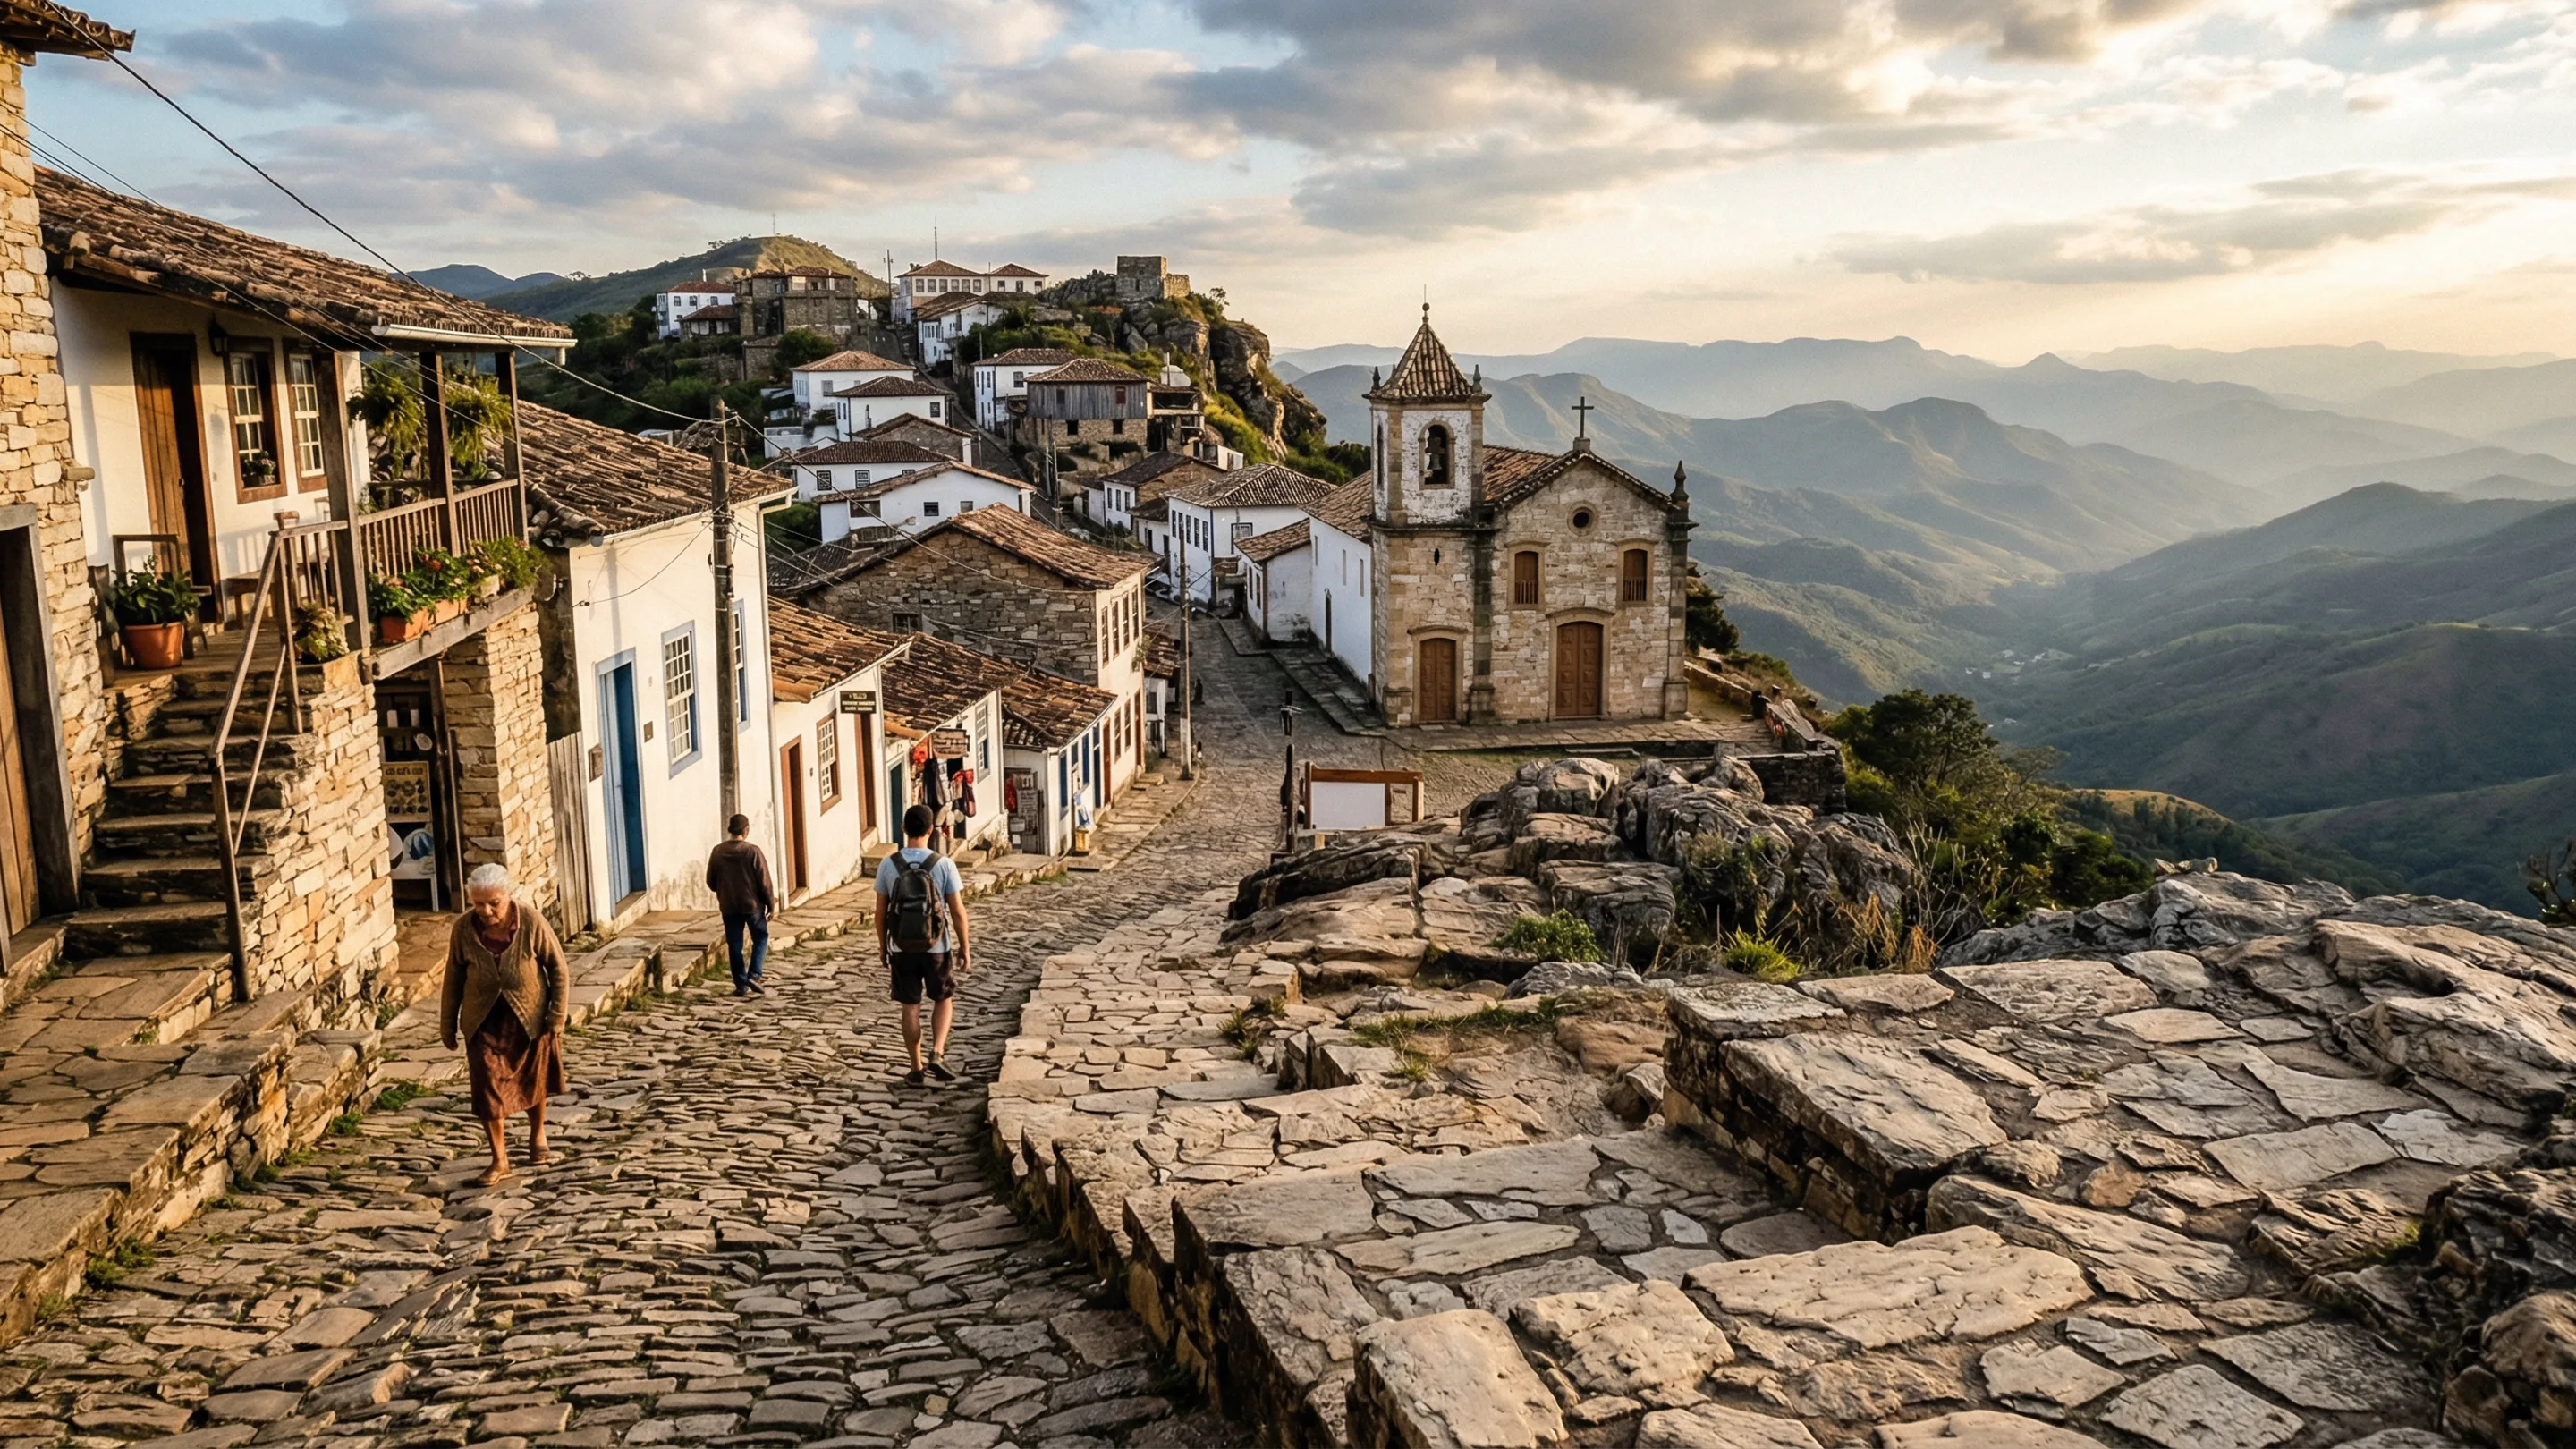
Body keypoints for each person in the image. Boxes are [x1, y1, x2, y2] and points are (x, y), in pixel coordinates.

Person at [440, 864, 571, 1186]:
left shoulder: (530, 921)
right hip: (482, 1020)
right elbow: (453, 977)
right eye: (478, 904)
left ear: (508, 896)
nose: (485, 911)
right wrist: (447, 1023)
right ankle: (499, 1159)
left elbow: (558, 968)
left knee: (534, 1079)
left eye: (493, 903)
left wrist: (557, 1015)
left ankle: (537, 1136)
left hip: (529, 1016)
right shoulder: (463, 930)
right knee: (486, 1086)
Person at [875, 802, 971, 1086]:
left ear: (904, 829)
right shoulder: (943, 865)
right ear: (932, 830)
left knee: (910, 1005)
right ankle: (938, 1052)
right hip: (937, 948)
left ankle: (915, 1068)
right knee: (943, 998)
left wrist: (884, 947)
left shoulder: (888, 864)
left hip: (901, 948)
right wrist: (964, 947)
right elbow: (957, 911)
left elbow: (880, 913)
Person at [705, 813, 775, 996]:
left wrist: (724, 890)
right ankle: (754, 974)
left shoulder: (717, 851)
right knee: (760, 937)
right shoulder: (753, 851)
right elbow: (764, 881)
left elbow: (710, 881)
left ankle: (740, 984)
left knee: (735, 945)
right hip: (752, 905)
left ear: (730, 830)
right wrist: (771, 904)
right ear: (746, 830)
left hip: (729, 905)